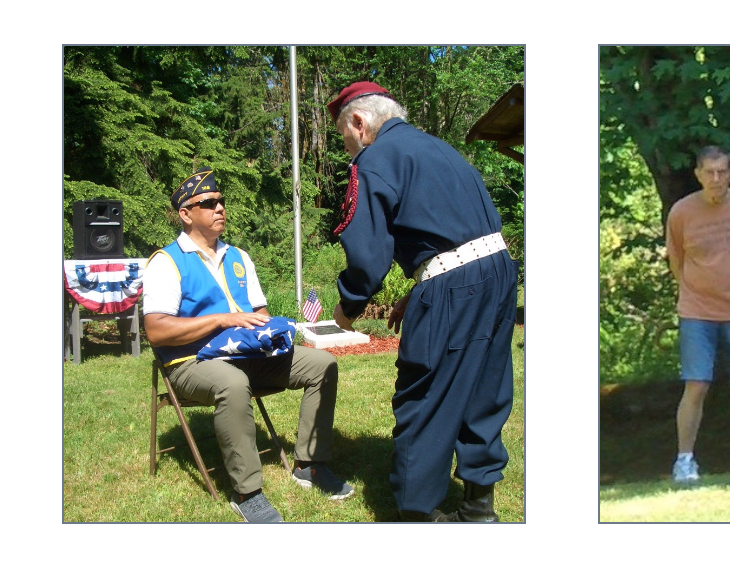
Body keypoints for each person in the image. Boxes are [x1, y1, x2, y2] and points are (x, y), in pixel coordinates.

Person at [326, 81, 517, 522]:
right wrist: (420, 289)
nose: (348, 147)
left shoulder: (375, 159)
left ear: (358, 122)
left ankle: (418, 514)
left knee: (424, 391)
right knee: (484, 387)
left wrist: (349, 305)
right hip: (498, 272)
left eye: (344, 137)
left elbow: (368, 254)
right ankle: (478, 508)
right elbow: (458, 232)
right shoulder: (440, 149)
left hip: (458, 288)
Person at [143, 167, 352, 522]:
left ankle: (309, 464)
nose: (220, 207)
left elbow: (260, 312)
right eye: (208, 203)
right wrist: (222, 320)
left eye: (221, 201)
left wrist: (274, 331)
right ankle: (247, 491)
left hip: (247, 354)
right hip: (191, 362)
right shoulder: (166, 263)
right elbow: (157, 331)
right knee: (232, 383)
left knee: (322, 364)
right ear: (186, 214)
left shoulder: (239, 256)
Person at [665, 145, 730, 484]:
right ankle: (684, 461)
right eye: (709, 172)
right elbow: (676, 260)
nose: (716, 179)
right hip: (697, 312)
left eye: (722, 171)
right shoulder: (681, 212)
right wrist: (693, 290)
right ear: (697, 174)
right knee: (696, 386)